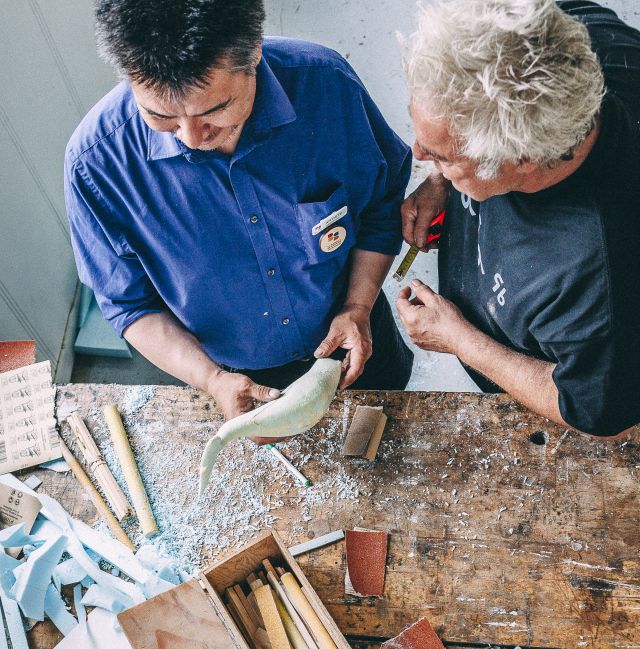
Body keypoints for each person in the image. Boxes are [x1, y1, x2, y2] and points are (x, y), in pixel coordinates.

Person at [65, 0, 413, 429]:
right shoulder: (95, 164)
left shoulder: (327, 86)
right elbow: (129, 304)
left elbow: (380, 205)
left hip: (356, 334)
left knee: (393, 435)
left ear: (254, 55)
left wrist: (358, 305)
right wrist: (213, 380)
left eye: (213, 110)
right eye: (160, 115)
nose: (192, 137)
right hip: (231, 373)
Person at [396, 0, 640, 438]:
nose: (415, 154)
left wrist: (457, 340)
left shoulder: (600, 282)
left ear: (523, 160)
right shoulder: (557, 35)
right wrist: (441, 176)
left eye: (442, 155)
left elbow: (595, 411)